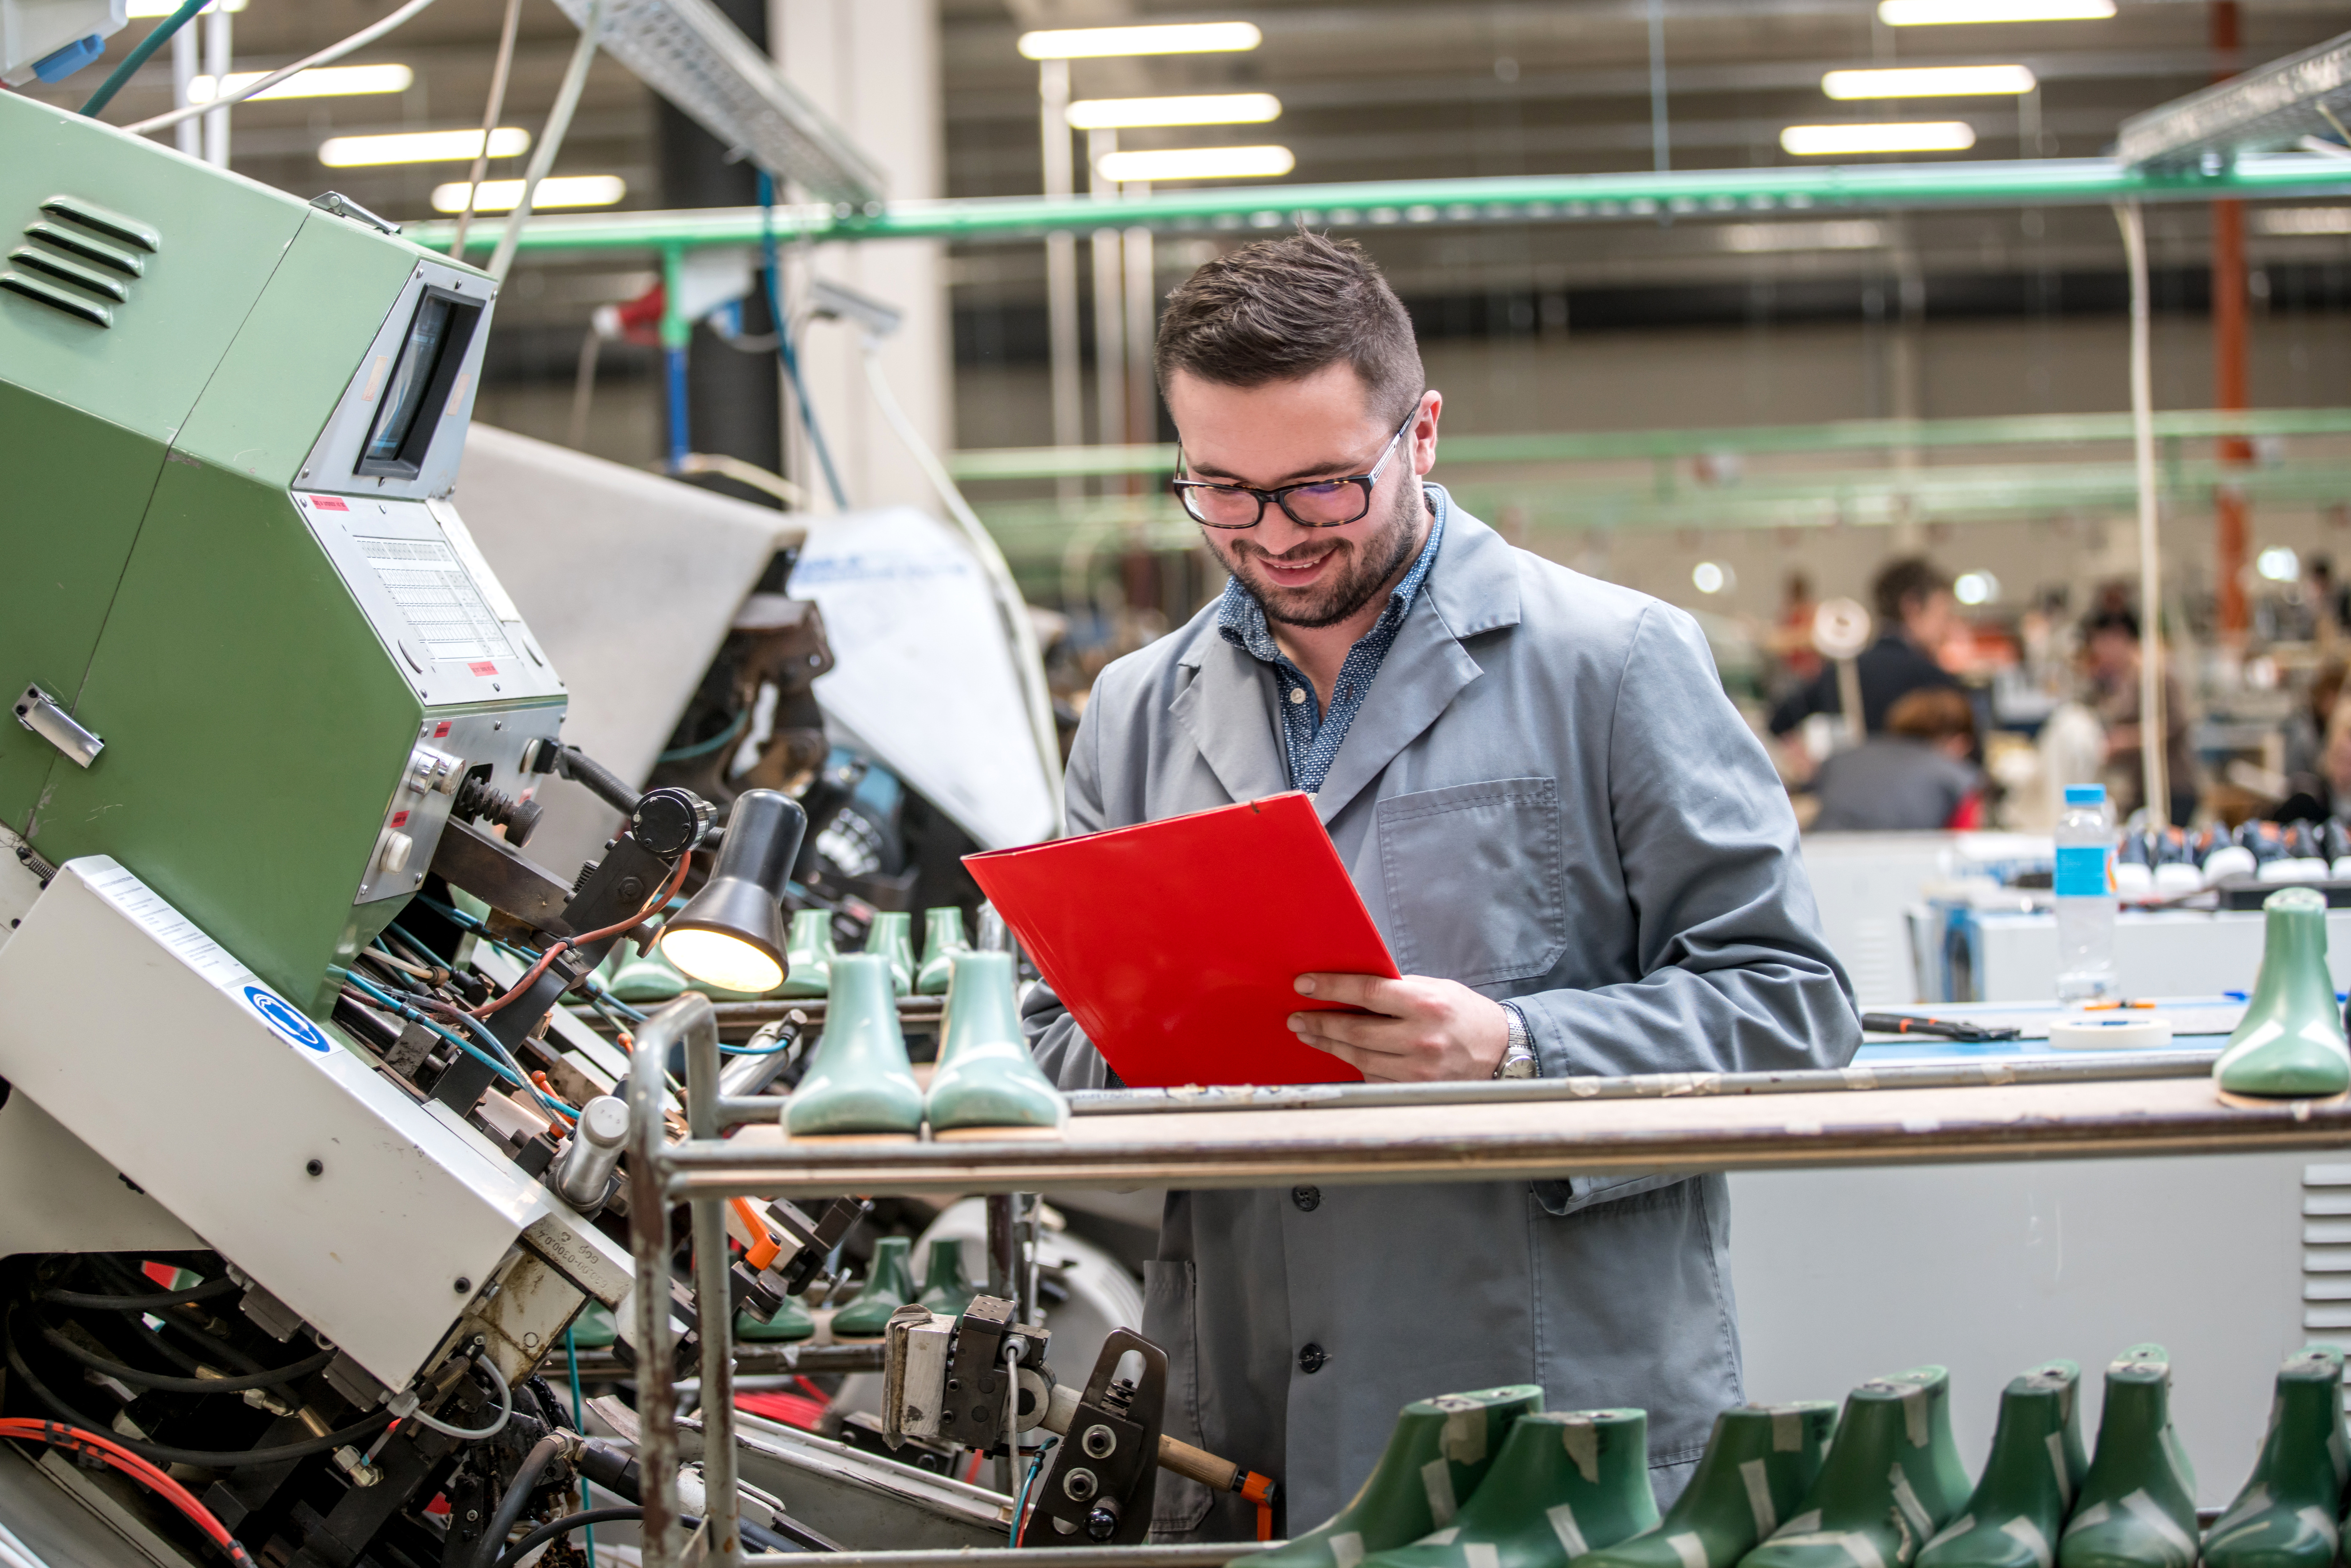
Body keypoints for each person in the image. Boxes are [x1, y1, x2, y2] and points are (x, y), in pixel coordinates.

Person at [1019, 232, 1860, 1537]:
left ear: (1420, 434)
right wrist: (1155, 1047)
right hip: (1248, 1416)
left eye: (1319, 487)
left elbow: (1792, 1004)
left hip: (1545, 1413)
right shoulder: (1135, 713)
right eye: (1222, 491)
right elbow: (1047, 1046)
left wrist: (1521, 1045)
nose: (1273, 535)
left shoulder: (1616, 663)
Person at [1767, 556, 1961, 739]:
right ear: (1912, 608)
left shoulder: (1841, 674)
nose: (1948, 629)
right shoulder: (1936, 684)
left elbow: (1778, 723)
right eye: (1943, 615)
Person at [2082, 606, 2197, 828]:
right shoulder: (2122, 681)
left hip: (2171, 788)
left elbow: (2178, 724)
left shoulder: (2157, 676)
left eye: (2101, 643)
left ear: (2119, 637)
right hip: (2141, 787)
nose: (2099, 652)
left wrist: (2127, 740)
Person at [1807, 687, 1984, 832]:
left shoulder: (1840, 760)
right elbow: (1963, 841)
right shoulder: (1957, 776)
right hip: (1909, 866)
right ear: (1960, 743)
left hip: (1824, 859)